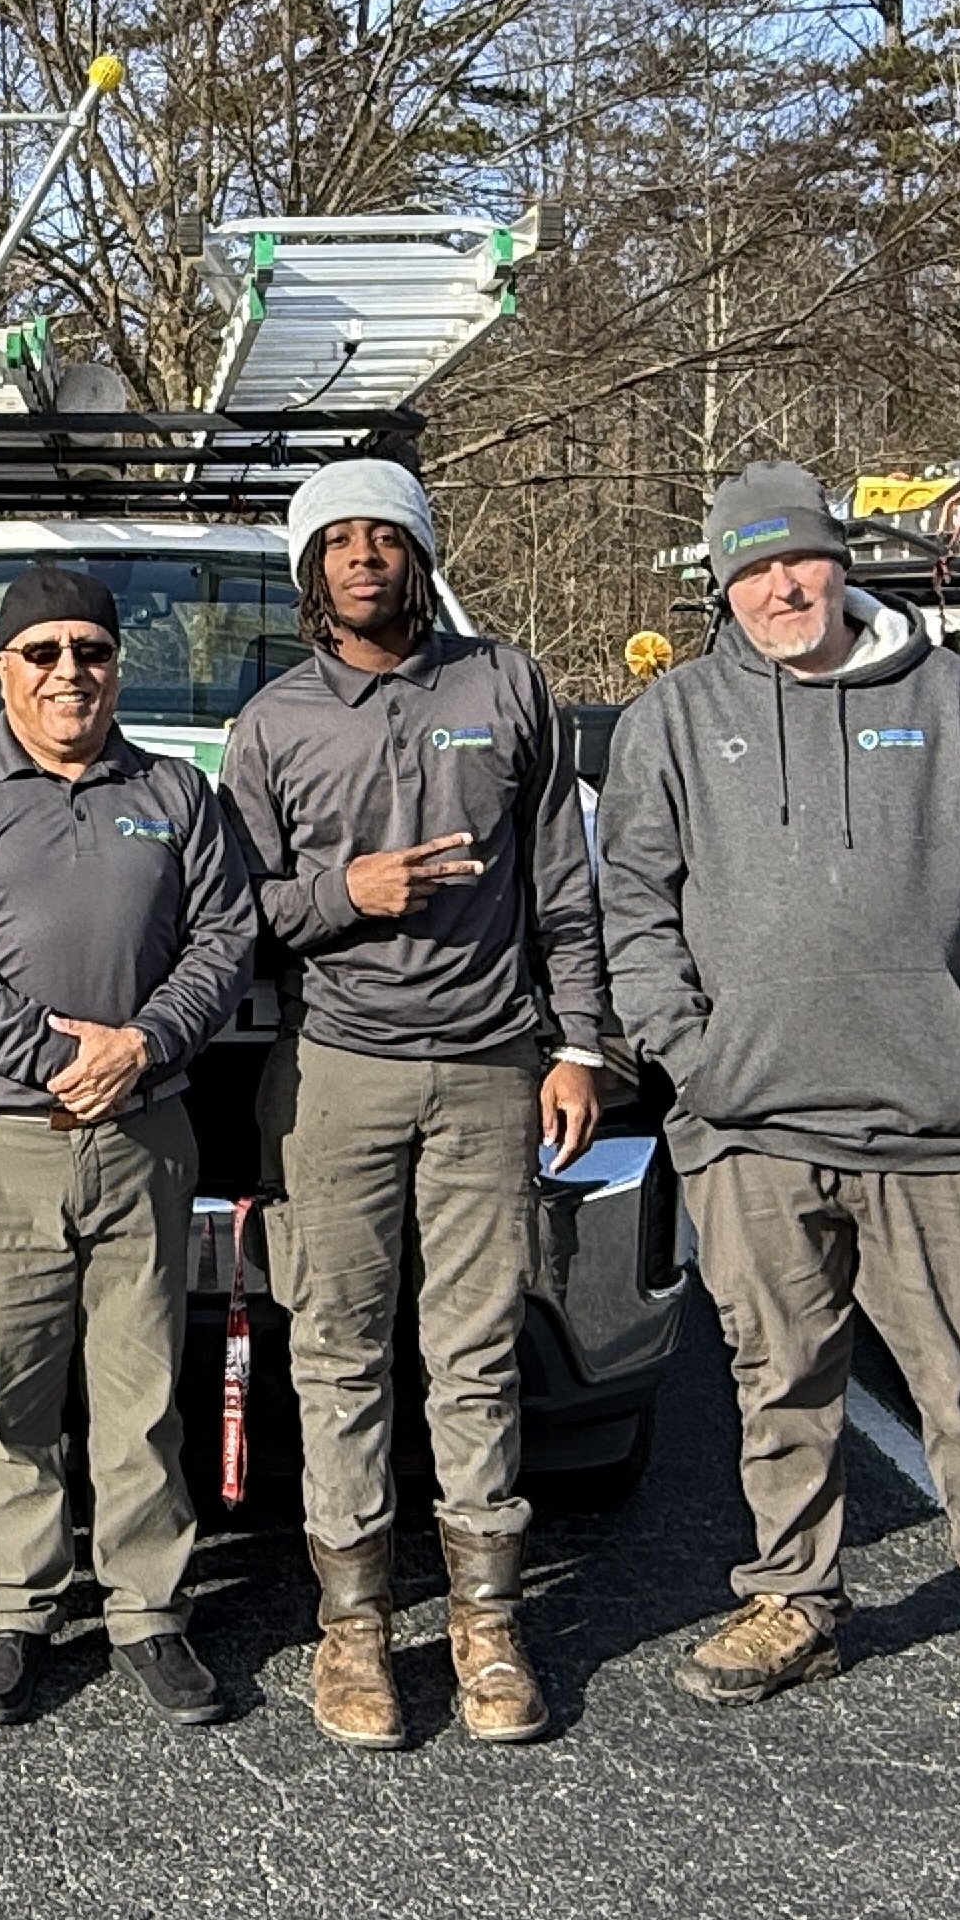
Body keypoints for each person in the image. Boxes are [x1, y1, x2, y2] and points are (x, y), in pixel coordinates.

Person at [596, 460, 960, 1753]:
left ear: (839, 564)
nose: (781, 587)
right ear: (722, 585)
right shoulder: (674, 719)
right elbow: (633, 905)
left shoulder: (955, 702)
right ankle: (793, 1598)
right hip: (751, 1126)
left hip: (936, 1127)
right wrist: (695, 1059)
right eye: (752, 568)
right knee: (779, 1383)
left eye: (801, 560)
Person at [219, 458, 607, 1749]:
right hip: (336, 1070)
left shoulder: (506, 686)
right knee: (335, 1351)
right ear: (309, 569)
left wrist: (579, 1044)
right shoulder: (272, 724)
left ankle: (488, 1625)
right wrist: (351, 893)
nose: (364, 557)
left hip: (492, 1067)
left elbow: (563, 881)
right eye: (338, 541)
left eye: (386, 537)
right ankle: (354, 1630)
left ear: (421, 554)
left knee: (477, 1351)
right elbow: (238, 912)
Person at [0, 565, 260, 1729]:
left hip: (143, 1134)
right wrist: (57, 1057)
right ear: (2, 668)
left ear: (116, 664)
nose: (68, 672)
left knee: (143, 1390)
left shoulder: (176, 792)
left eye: (90, 650)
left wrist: (143, 1044)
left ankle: (149, 1610)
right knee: (11, 1392)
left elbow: (225, 938)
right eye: (41, 651)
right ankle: (19, 1608)